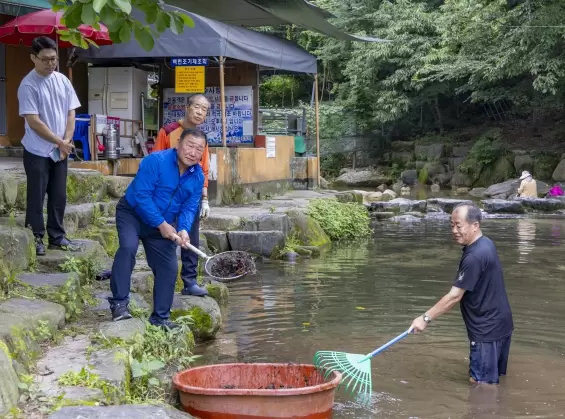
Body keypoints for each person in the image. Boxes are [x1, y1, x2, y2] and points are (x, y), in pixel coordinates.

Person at [108, 128, 206, 328]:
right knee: (128, 248)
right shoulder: (156, 161)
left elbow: (189, 207)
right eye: (189, 145)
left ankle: (160, 319)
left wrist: (184, 229)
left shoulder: (197, 177)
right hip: (133, 214)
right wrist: (161, 224)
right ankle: (119, 303)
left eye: (199, 149)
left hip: (164, 224)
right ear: (178, 143)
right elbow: (142, 196)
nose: (193, 152)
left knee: (169, 268)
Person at [409, 203, 513, 385]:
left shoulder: (474, 256)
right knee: (495, 380)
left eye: (459, 225)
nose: (454, 230)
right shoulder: (486, 243)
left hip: (486, 330)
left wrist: (424, 319)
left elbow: (455, 296)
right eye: (452, 225)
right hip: (502, 324)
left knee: (481, 386)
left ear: (475, 225)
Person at [18, 36, 80, 256]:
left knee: (58, 195)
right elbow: (34, 121)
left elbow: (71, 111)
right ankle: (35, 237)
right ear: (33, 58)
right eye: (45, 59)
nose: (50, 63)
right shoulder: (28, 85)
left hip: (60, 150)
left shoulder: (62, 80)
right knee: (36, 195)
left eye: (53, 59)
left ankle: (57, 236)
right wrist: (59, 142)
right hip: (36, 150)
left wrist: (67, 141)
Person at [153, 94, 211, 297]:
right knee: (162, 236)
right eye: (197, 107)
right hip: (165, 196)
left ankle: (190, 281)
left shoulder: (201, 138)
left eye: (204, 109)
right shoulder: (168, 132)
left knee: (191, 236)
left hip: (189, 195)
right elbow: (154, 160)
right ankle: (162, 280)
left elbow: (203, 169)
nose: (199, 112)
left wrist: (204, 198)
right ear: (187, 107)